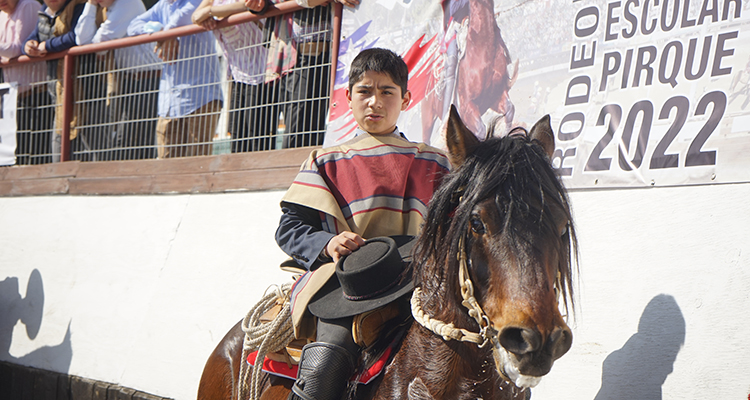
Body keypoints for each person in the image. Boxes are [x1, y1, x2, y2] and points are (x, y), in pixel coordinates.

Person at [275, 48, 450, 400]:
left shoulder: (436, 162)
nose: (375, 102)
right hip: (347, 287)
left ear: (407, 98)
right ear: (347, 97)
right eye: (365, 91)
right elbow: (290, 229)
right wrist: (327, 244)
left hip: (421, 281)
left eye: (387, 92)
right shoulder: (325, 161)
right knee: (326, 364)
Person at [127, 0, 223, 158]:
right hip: (169, 103)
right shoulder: (162, 5)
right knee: (166, 169)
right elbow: (132, 26)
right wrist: (159, 30)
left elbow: (182, 17)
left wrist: (167, 34)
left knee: (198, 165)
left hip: (200, 97)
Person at [74, 0, 162, 160]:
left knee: (128, 143)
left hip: (148, 80)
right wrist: (91, 5)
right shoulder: (109, 8)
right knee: (136, 145)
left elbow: (99, 45)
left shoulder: (127, 3)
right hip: (132, 81)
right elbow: (81, 39)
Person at [22, 0, 105, 162]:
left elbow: (77, 36)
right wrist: (28, 47)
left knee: (95, 155)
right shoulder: (44, 13)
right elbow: (33, 38)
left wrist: (48, 46)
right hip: (60, 97)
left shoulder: (80, 7)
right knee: (59, 156)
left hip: (89, 96)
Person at [0, 0, 49, 164]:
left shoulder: (28, 5)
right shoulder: (2, 15)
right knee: (19, 153)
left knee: (35, 152)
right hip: (14, 97)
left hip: (35, 94)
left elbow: (16, 48)